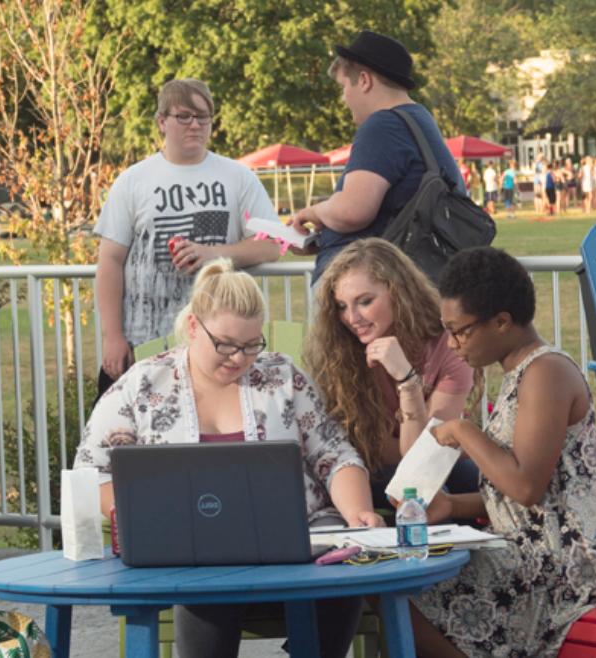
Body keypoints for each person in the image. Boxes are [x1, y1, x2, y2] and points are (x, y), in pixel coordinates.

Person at [76, 258, 381, 658]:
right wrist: (141, 515)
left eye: (251, 346)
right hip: (191, 555)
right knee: (209, 591)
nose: (239, 358)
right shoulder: (144, 383)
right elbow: (92, 468)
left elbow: (334, 453)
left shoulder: (281, 377)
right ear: (192, 327)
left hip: (297, 541)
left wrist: (358, 512)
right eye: (226, 344)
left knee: (340, 582)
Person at [407, 246, 596, 656]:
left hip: (566, 567)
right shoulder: (518, 374)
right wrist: (452, 506)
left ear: (502, 322)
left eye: (460, 330)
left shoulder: (546, 372)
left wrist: (465, 432)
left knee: (408, 596)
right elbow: (531, 496)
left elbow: (526, 486)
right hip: (531, 550)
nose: (453, 344)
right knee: (405, 584)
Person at [92, 79, 280, 407]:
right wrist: (113, 337)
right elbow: (110, 260)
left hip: (220, 347)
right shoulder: (133, 181)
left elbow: (272, 245)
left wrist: (212, 254)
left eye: (203, 117)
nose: (195, 124)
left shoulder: (238, 177)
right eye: (184, 116)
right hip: (145, 342)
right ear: (162, 121)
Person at [304, 238, 477, 511]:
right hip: (363, 472)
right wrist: (410, 385)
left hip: (427, 464)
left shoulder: (448, 345)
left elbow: (425, 454)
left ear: (398, 292)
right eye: (341, 306)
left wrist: (405, 378)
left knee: (485, 483)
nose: (352, 318)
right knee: (424, 497)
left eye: (365, 301)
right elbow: (406, 454)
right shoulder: (340, 353)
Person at [290, 30, 464, 282]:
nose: (343, 99)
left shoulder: (383, 125)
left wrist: (315, 212)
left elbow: (353, 211)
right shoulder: (419, 119)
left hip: (367, 285)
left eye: (343, 87)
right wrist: (321, 238)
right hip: (406, 281)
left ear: (364, 80)